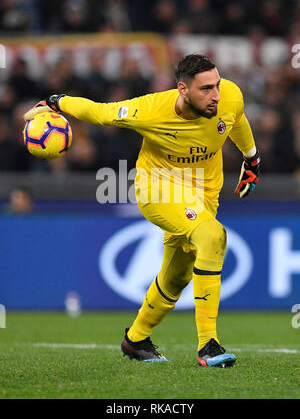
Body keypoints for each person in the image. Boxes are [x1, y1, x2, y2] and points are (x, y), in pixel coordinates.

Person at [24, 54, 260, 368]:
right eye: (205, 89)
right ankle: (209, 345)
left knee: (176, 277)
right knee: (212, 235)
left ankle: (135, 340)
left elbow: (237, 120)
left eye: (216, 85)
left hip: (204, 193)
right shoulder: (150, 110)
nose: (215, 94)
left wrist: (252, 159)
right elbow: (101, 113)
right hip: (157, 187)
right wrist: (56, 101)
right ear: (182, 90)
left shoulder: (228, 96)